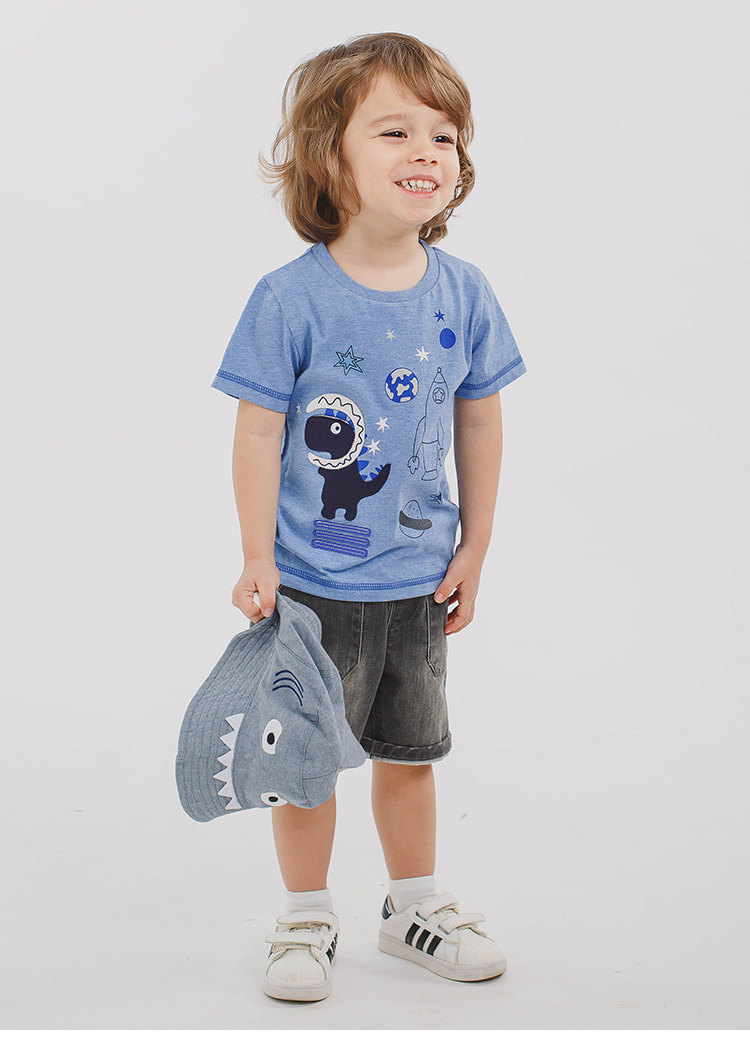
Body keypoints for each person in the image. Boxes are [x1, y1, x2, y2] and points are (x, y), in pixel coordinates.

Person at [210, 31, 527, 1002]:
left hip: (419, 585)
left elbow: (480, 416)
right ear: (329, 156)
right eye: (395, 131)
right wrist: (256, 554)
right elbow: (258, 432)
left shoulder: (465, 292)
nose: (426, 151)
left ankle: (411, 907)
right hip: (312, 586)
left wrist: (477, 542)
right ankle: (306, 913)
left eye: (444, 134)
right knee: (305, 763)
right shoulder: (288, 299)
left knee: (410, 755)